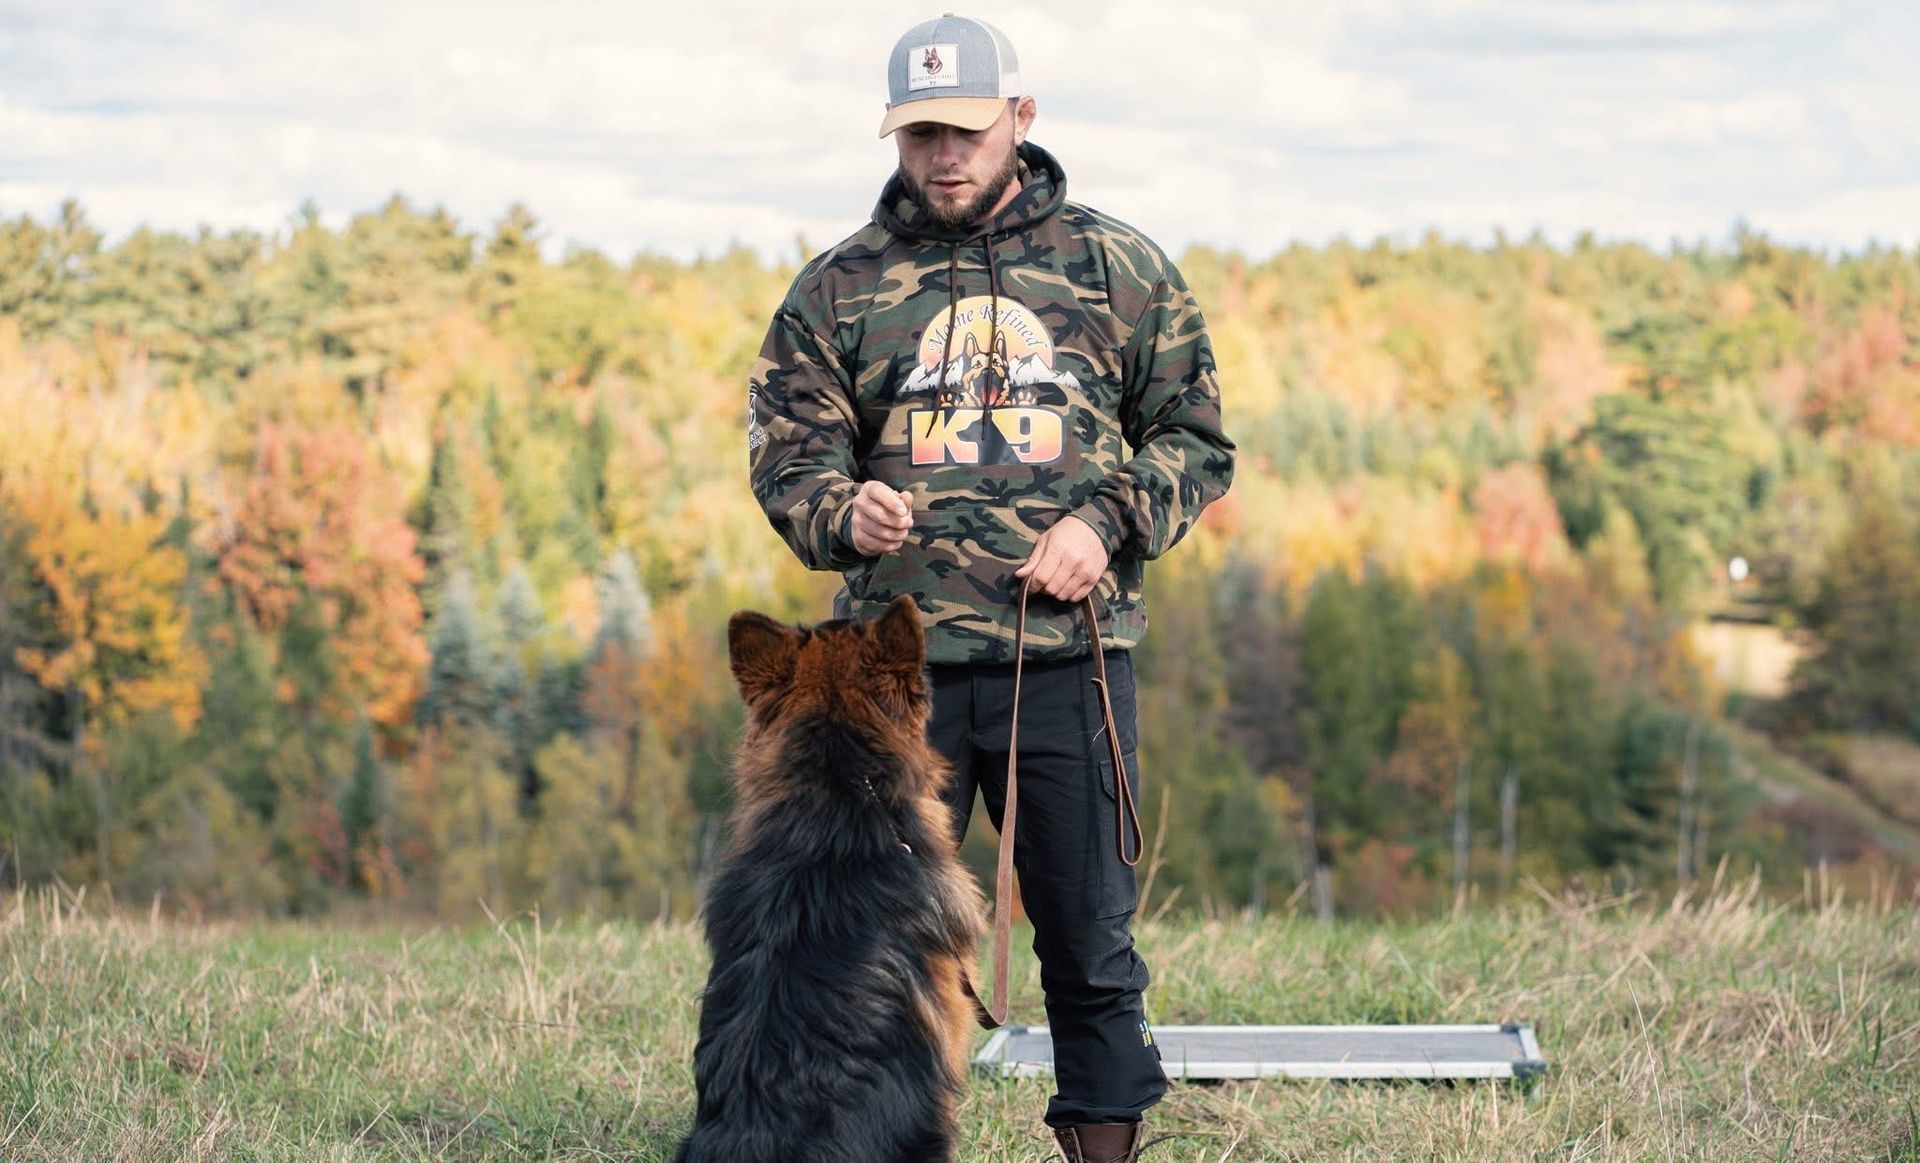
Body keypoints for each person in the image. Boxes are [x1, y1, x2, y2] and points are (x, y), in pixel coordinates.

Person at [746, 13, 1234, 1162]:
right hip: (887, 691)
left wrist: (1104, 521)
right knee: (860, 942)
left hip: (1067, 662)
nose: (943, 156)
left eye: (965, 129)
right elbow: (788, 456)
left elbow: (1196, 441)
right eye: (919, 134)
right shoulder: (838, 287)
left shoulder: (1119, 267)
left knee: (1088, 942)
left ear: (1021, 118)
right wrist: (839, 511)